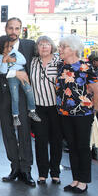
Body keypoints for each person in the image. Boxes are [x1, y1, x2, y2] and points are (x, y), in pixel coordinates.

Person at [0, 17, 37, 187]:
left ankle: (26, 169)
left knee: (24, 132)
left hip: (23, 96)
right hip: (3, 96)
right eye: (11, 28)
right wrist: (14, 74)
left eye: (17, 28)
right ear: (5, 29)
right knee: (7, 132)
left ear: (21, 29)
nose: (13, 32)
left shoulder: (30, 46)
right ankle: (14, 167)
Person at [56, 35, 98, 193]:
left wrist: (94, 111)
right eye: (60, 46)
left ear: (74, 49)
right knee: (72, 146)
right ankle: (75, 179)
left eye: (64, 47)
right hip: (65, 113)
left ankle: (83, 181)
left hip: (83, 113)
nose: (60, 49)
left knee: (82, 147)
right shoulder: (61, 66)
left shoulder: (85, 67)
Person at [29, 36, 63, 185]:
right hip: (38, 107)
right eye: (41, 44)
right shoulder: (33, 62)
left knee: (56, 141)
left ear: (52, 46)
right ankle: (42, 173)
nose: (44, 47)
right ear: (37, 47)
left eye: (47, 44)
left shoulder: (59, 62)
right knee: (40, 141)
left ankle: (55, 173)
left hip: (55, 108)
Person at [0, 35, 41, 126]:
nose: (9, 49)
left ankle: (32, 111)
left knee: (29, 91)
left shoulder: (14, 52)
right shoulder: (0, 58)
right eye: (6, 47)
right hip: (12, 77)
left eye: (11, 46)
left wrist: (13, 59)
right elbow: (3, 71)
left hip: (22, 72)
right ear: (1, 47)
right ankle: (15, 116)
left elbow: (23, 61)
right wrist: (4, 62)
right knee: (14, 96)